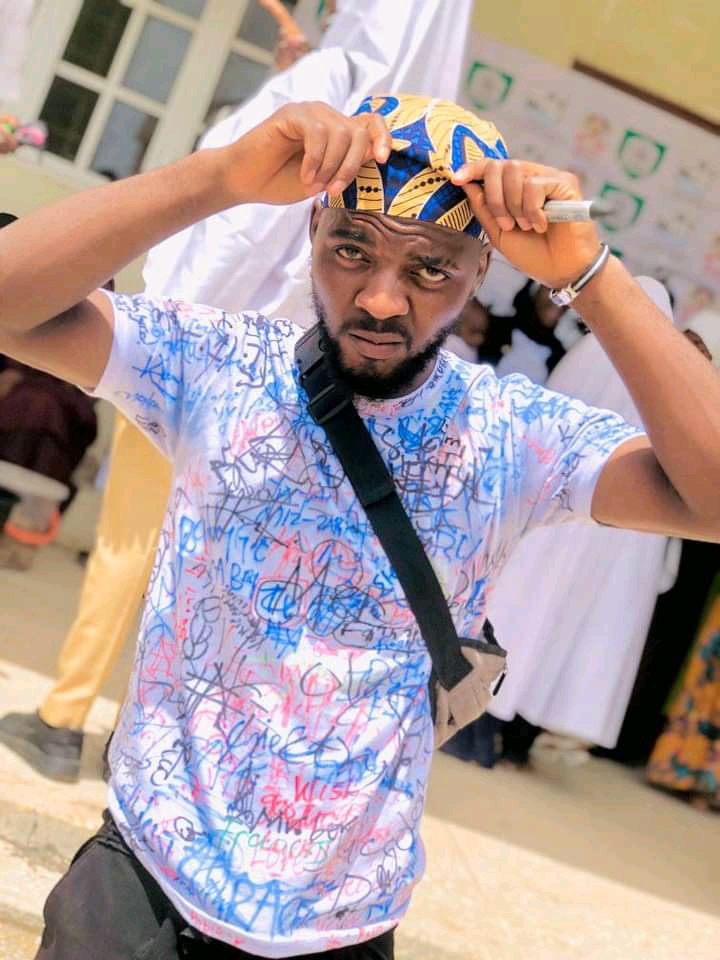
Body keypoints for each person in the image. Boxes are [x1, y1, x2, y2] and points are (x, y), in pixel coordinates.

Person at [1, 92, 720, 960]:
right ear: (313, 230)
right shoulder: (218, 365)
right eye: (352, 250)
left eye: (430, 269)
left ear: (481, 271)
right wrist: (218, 178)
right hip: (145, 885)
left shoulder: (511, 434)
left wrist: (590, 273)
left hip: (341, 922)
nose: (381, 299)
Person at [0, 0, 474, 785]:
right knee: (221, 568)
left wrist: (162, 325)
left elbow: (225, 236)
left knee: (131, 546)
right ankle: (150, 741)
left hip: (204, 353)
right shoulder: (419, 141)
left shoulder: (317, 91)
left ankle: (64, 718)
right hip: (302, 382)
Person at [0, 214, 98, 570]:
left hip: (65, 391)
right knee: (34, 406)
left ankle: (18, 527)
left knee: (44, 408)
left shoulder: (95, 284)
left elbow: (93, 358)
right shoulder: (20, 267)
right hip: (21, 385)